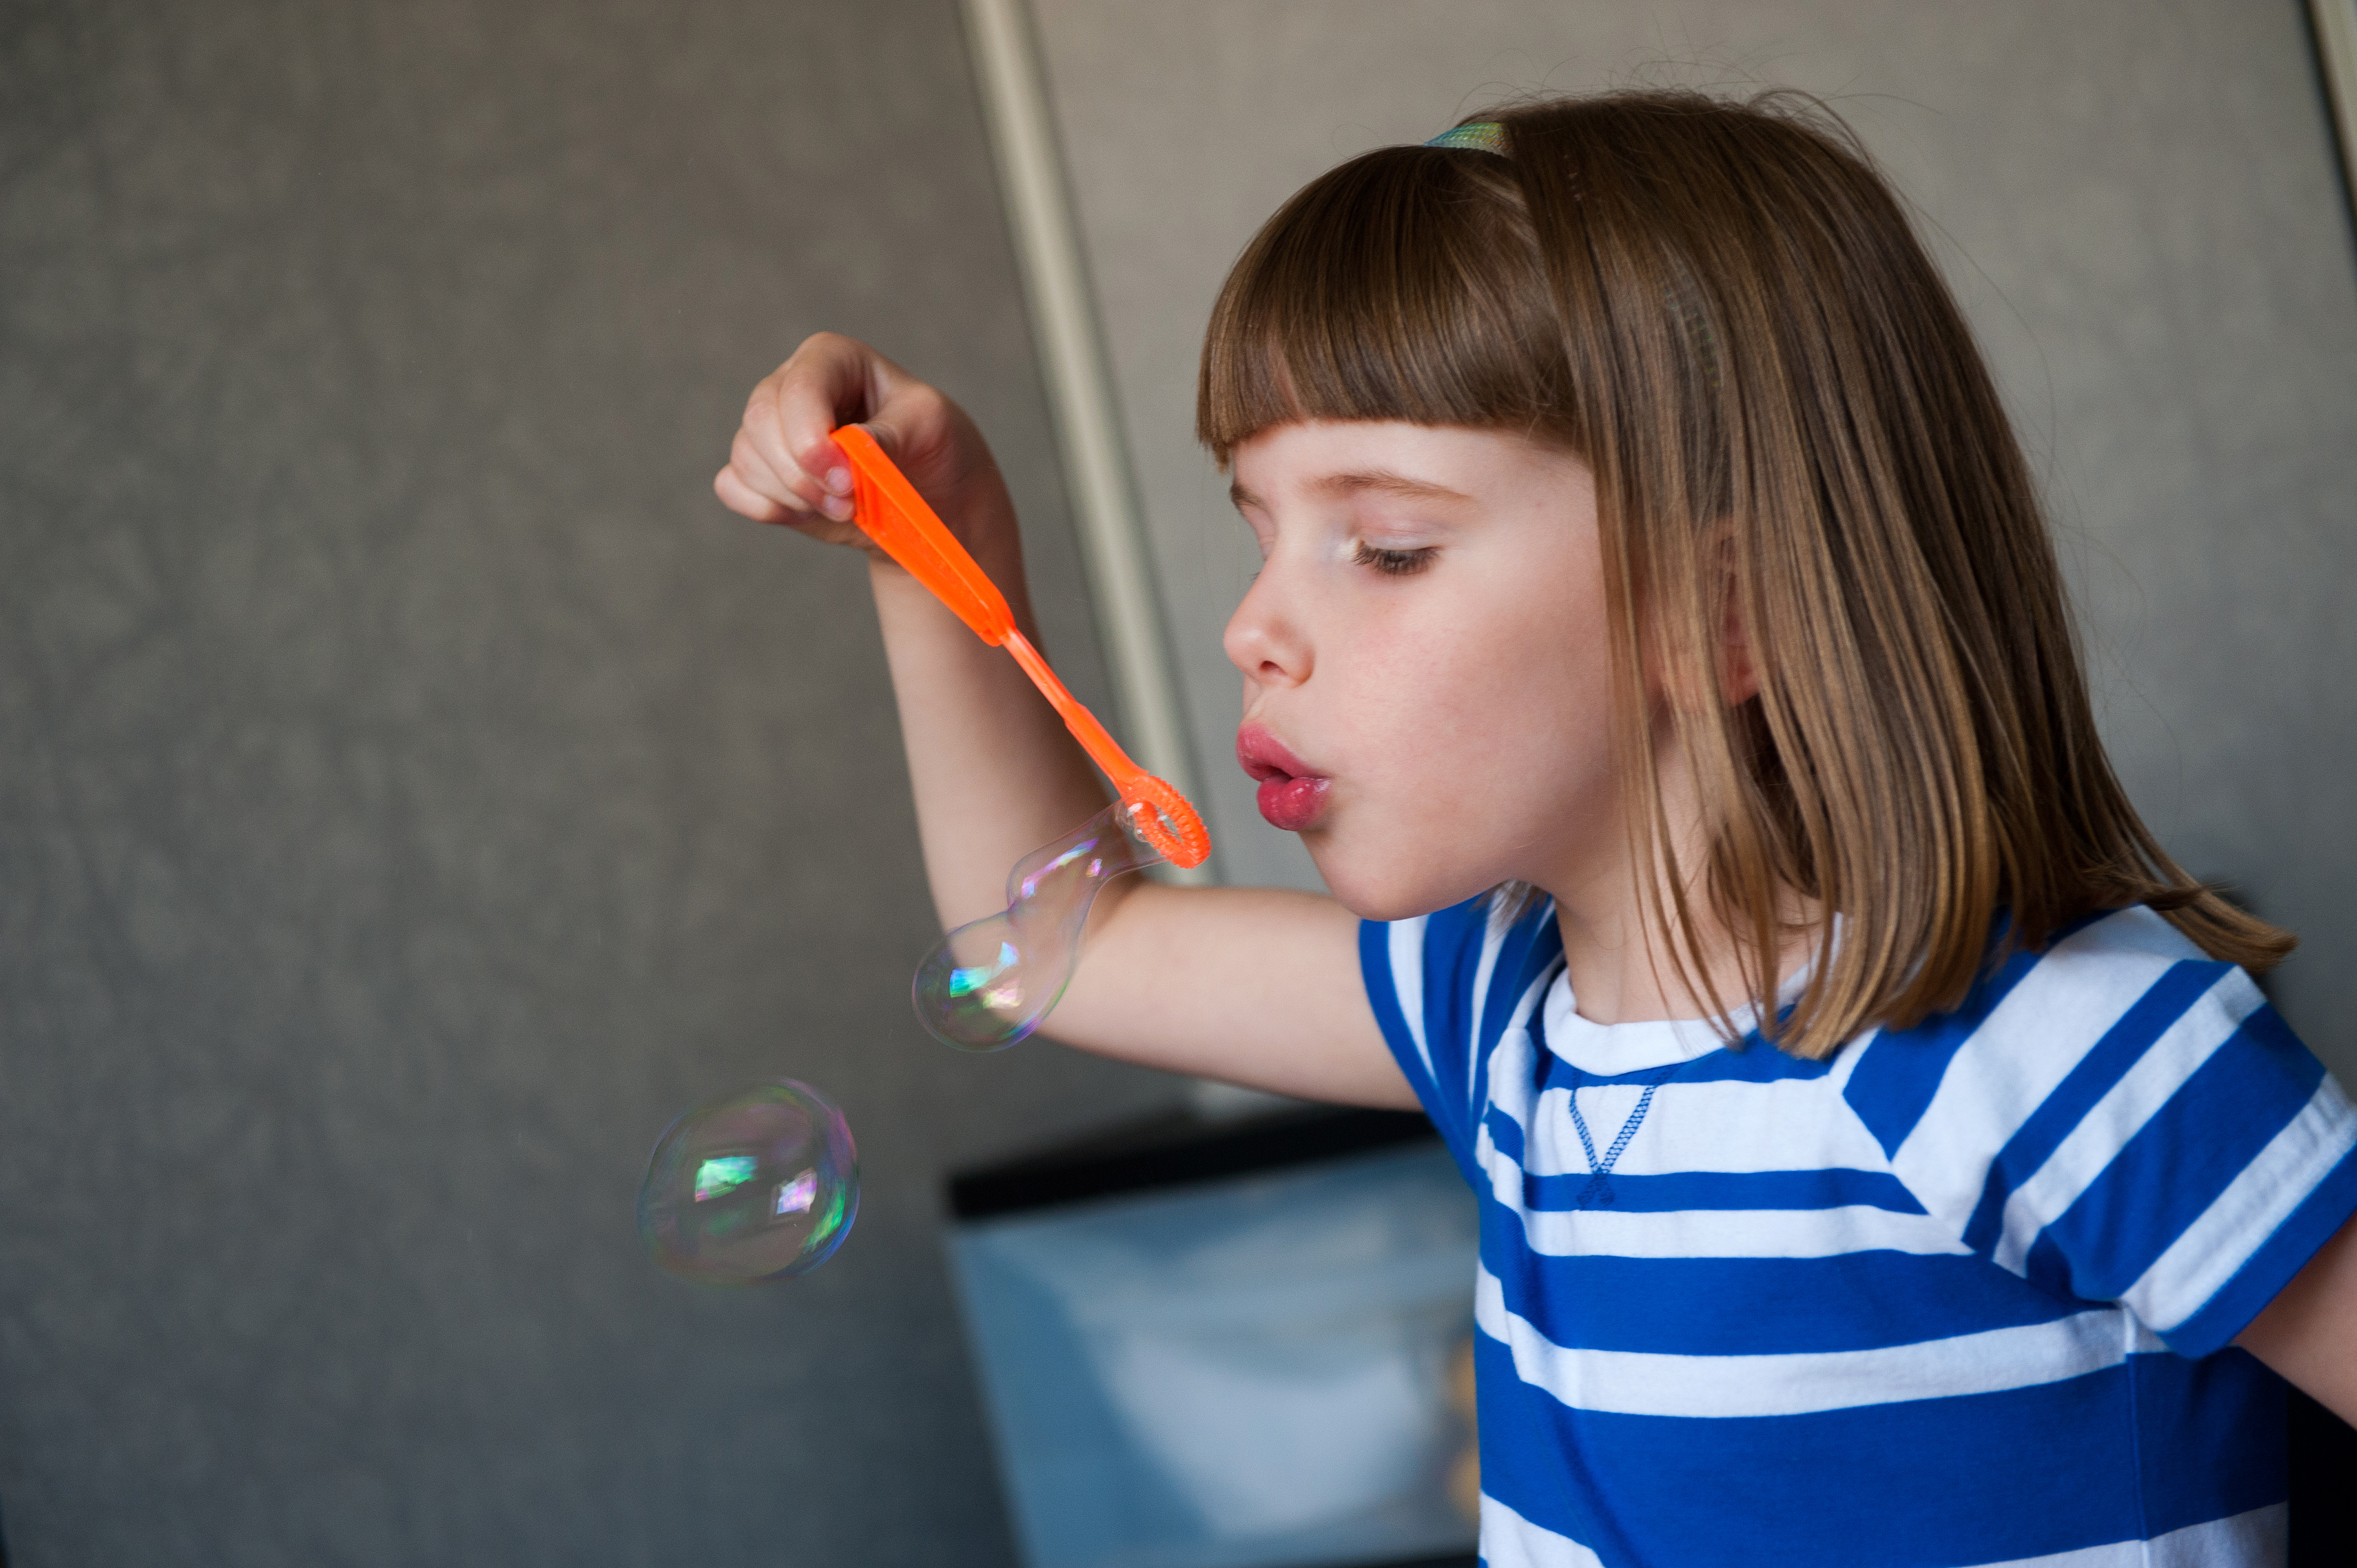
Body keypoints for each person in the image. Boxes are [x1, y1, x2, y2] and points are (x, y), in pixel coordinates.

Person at [716, 90, 2355, 1567]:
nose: (1254, 629)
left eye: (1388, 546)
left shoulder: (2060, 1049)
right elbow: (1050, 952)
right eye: (1261, 530)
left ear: (1726, 608)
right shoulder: (1500, 1010)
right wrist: (934, 548)